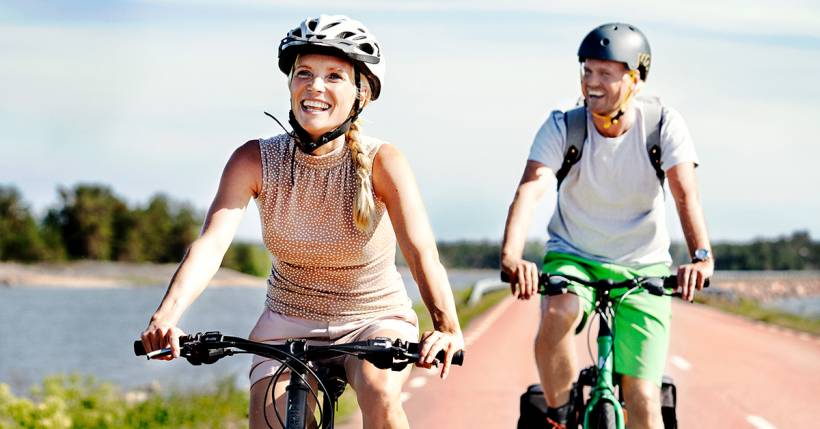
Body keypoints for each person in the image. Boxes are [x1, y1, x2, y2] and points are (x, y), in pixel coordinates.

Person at [140, 14, 464, 429]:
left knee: (380, 393)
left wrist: (447, 326)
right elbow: (211, 245)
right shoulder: (255, 159)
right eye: (304, 73)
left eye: (334, 76)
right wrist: (166, 316)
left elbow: (421, 253)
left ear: (361, 93)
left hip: (373, 318)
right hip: (287, 321)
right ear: (291, 83)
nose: (315, 86)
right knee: (272, 419)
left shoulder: (383, 161)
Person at [500, 23, 713, 429]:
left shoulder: (663, 126)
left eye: (605, 74)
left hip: (644, 266)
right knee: (559, 311)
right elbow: (531, 190)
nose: (591, 83)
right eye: (586, 71)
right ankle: (560, 416)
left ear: (636, 79)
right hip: (574, 257)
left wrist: (701, 256)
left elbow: (685, 194)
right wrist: (512, 256)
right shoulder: (564, 126)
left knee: (644, 400)